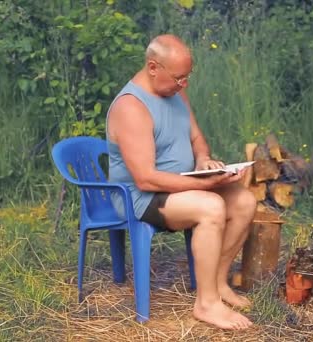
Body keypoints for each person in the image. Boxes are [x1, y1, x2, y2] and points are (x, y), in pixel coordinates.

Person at [106, 34, 256, 330]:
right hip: (141, 198)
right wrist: (205, 185)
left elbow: (197, 138)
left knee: (244, 201)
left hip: (182, 186)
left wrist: (203, 161)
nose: (183, 84)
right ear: (153, 67)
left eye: (187, 77)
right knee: (211, 206)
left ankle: (218, 283)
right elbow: (146, 179)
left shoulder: (175, 92)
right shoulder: (131, 107)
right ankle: (206, 304)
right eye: (178, 78)